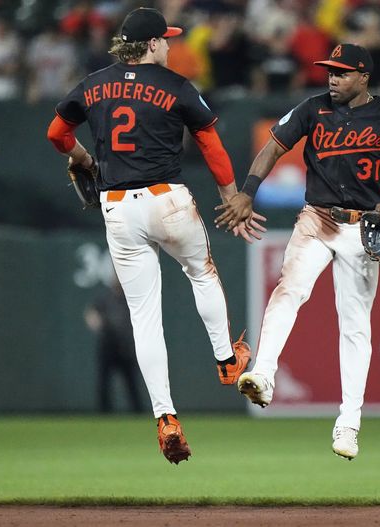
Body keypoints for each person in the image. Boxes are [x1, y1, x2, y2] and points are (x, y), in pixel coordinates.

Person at [46, 7, 264, 464]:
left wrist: (86, 160)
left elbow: (57, 133)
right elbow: (210, 144)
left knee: (144, 317)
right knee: (201, 273)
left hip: (118, 208)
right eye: (165, 40)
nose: (169, 45)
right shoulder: (177, 86)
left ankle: (165, 416)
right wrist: (231, 196)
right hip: (168, 200)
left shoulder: (93, 84)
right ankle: (227, 360)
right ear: (149, 45)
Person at [216, 43, 380, 460]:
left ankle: (349, 423)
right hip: (317, 218)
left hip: (364, 226)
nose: (332, 78)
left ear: (364, 76)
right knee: (289, 289)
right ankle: (263, 374)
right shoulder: (313, 109)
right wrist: (247, 192)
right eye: (330, 71)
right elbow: (274, 146)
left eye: (342, 72)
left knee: (354, 326)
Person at [84, 281, 144, 413]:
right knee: (104, 382)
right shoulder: (104, 298)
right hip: (108, 345)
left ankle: (138, 412)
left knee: (131, 382)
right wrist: (95, 322)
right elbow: (91, 313)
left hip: (125, 346)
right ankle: (104, 412)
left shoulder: (130, 299)